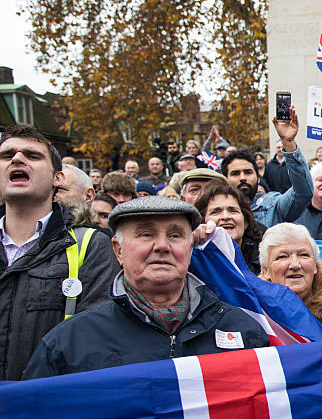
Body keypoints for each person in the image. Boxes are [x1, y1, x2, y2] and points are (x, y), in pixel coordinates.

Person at [23, 197, 269, 379]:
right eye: (146, 234)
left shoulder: (243, 330)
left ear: (190, 248)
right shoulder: (68, 344)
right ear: (118, 250)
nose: (162, 246)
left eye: (175, 236)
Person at [0, 124, 120, 381]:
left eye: (32, 156)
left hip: (45, 408)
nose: (17, 159)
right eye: (7, 155)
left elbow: (95, 344)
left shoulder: (90, 246)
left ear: (57, 178)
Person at [221, 109, 313, 227]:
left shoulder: (273, 205)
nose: (242, 178)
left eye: (248, 172)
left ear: (258, 178)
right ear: (225, 180)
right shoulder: (217, 212)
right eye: (235, 173)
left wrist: (288, 143)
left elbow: (303, 192)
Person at [194, 183, 265, 275]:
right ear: (203, 222)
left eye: (233, 210)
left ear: (246, 222)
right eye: (216, 212)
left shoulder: (264, 258)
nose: (225, 217)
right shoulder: (194, 260)